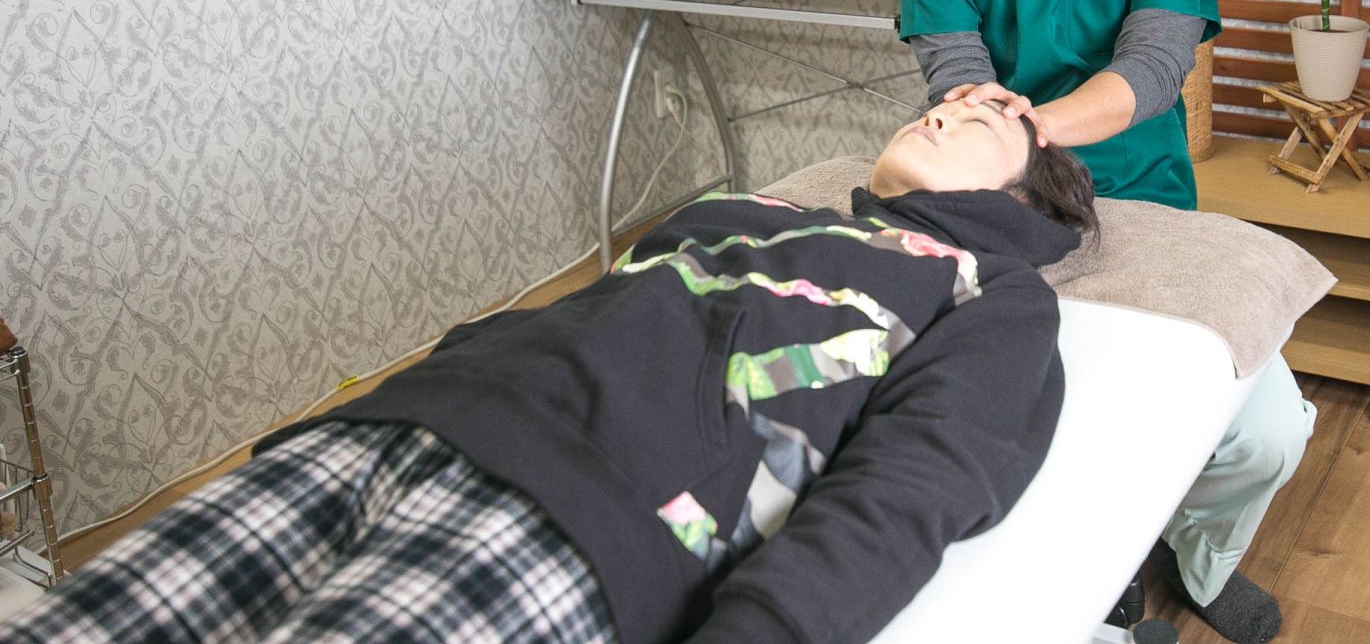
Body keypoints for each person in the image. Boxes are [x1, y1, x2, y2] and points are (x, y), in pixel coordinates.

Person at [0, 103, 1095, 644]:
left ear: (1026, 195)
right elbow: (578, 316)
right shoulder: (742, 207)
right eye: (947, 97)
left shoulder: (987, 294)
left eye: (989, 114)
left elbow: (909, 486)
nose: (946, 104)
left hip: (578, 512)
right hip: (395, 428)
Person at [896, 0, 1315, 644]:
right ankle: (1101, 572)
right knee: (1051, 421)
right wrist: (993, 136)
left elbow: (1154, 69)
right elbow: (957, 78)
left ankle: (1200, 556)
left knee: (1268, 434)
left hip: (1146, 200)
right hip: (1001, 213)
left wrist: (1026, 124)